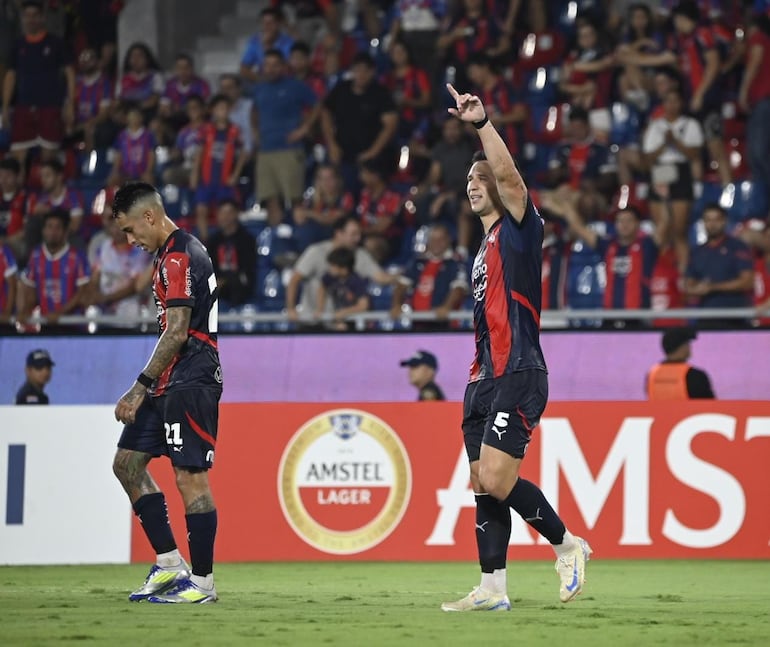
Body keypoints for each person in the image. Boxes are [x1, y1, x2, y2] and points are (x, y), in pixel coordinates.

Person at [440, 83, 591, 612]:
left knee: (500, 478)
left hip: (520, 369)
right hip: (481, 377)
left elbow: (509, 177)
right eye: (468, 181)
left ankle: (568, 545)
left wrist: (482, 126)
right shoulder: (480, 250)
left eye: (480, 179)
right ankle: (492, 589)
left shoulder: (521, 230)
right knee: (483, 482)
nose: (473, 185)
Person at [111, 181, 222, 604]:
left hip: (190, 378)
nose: (130, 239)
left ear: (149, 217)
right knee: (127, 465)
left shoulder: (179, 256)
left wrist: (138, 388)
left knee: (189, 478)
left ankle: (203, 585)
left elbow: (177, 332)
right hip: (168, 379)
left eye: (130, 230)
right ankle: (170, 564)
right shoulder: (169, 253)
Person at [286, 214, 392, 322]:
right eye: (354, 234)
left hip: (343, 325)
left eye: (359, 234)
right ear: (339, 233)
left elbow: (380, 277)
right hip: (313, 322)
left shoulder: (360, 255)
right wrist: (290, 308)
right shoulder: (316, 252)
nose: (358, 238)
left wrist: (399, 278)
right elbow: (295, 279)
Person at [684, 203, 754, 327]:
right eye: (708, 220)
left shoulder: (737, 247)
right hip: (706, 315)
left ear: (724, 221)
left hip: (734, 315)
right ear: (703, 223)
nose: (712, 224)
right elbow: (689, 283)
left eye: (716, 219)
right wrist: (694, 288)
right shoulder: (697, 252)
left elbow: (747, 281)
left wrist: (713, 287)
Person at [206, 199, 257, 307]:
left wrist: (226, 281)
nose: (225, 217)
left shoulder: (247, 240)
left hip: (239, 287)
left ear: (236, 215)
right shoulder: (213, 241)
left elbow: (247, 269)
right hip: (218, 288)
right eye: (222, 213)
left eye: (229, 213)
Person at [647, 326, 715, 399]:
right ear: (682, 347)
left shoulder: (651, 374)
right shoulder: (696, 376)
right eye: (688, 343)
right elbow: (710, 407)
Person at [313, 247, 369, 330]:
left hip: (357, 322)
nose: (330, 268)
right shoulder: (329, 277)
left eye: (332, 265)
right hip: (340, 319)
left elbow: (363, 306)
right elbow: (322, 289)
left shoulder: (356, 281)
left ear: (343, 268)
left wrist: (344, 312)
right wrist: (320, 308)